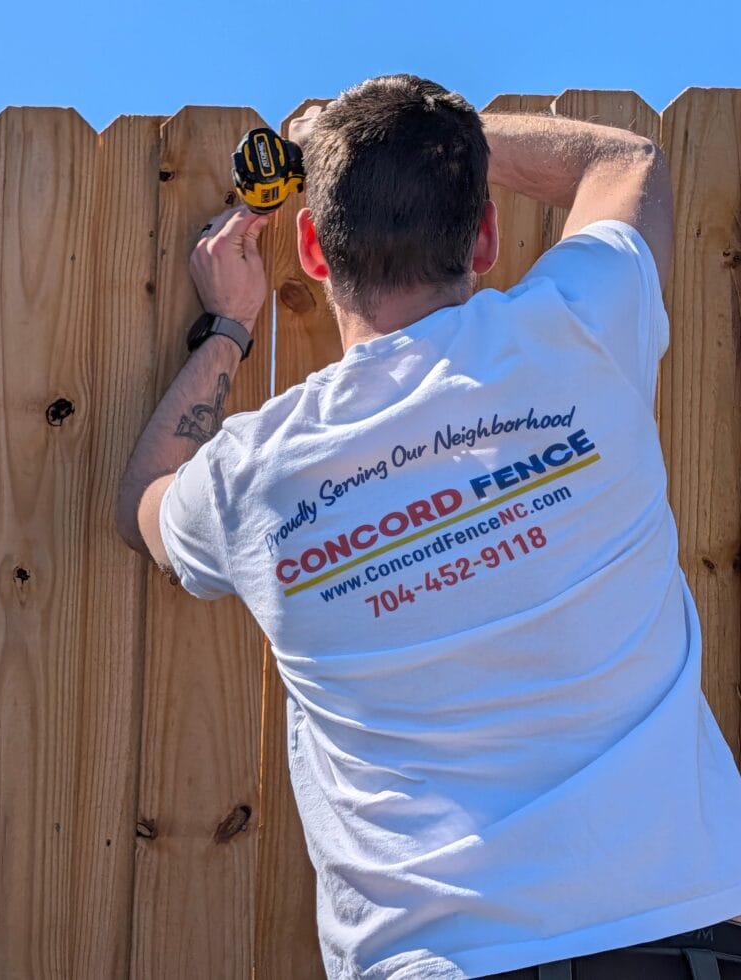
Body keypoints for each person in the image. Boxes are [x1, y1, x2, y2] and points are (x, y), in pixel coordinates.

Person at [117, 75, 741, 979]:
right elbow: (623, 159)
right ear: (483, 234)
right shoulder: (581, 331)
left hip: (438, 961)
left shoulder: (252, 477)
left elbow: (145, 500)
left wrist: (229, 325)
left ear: (314, 252)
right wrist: (406, 138)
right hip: (688, 930)